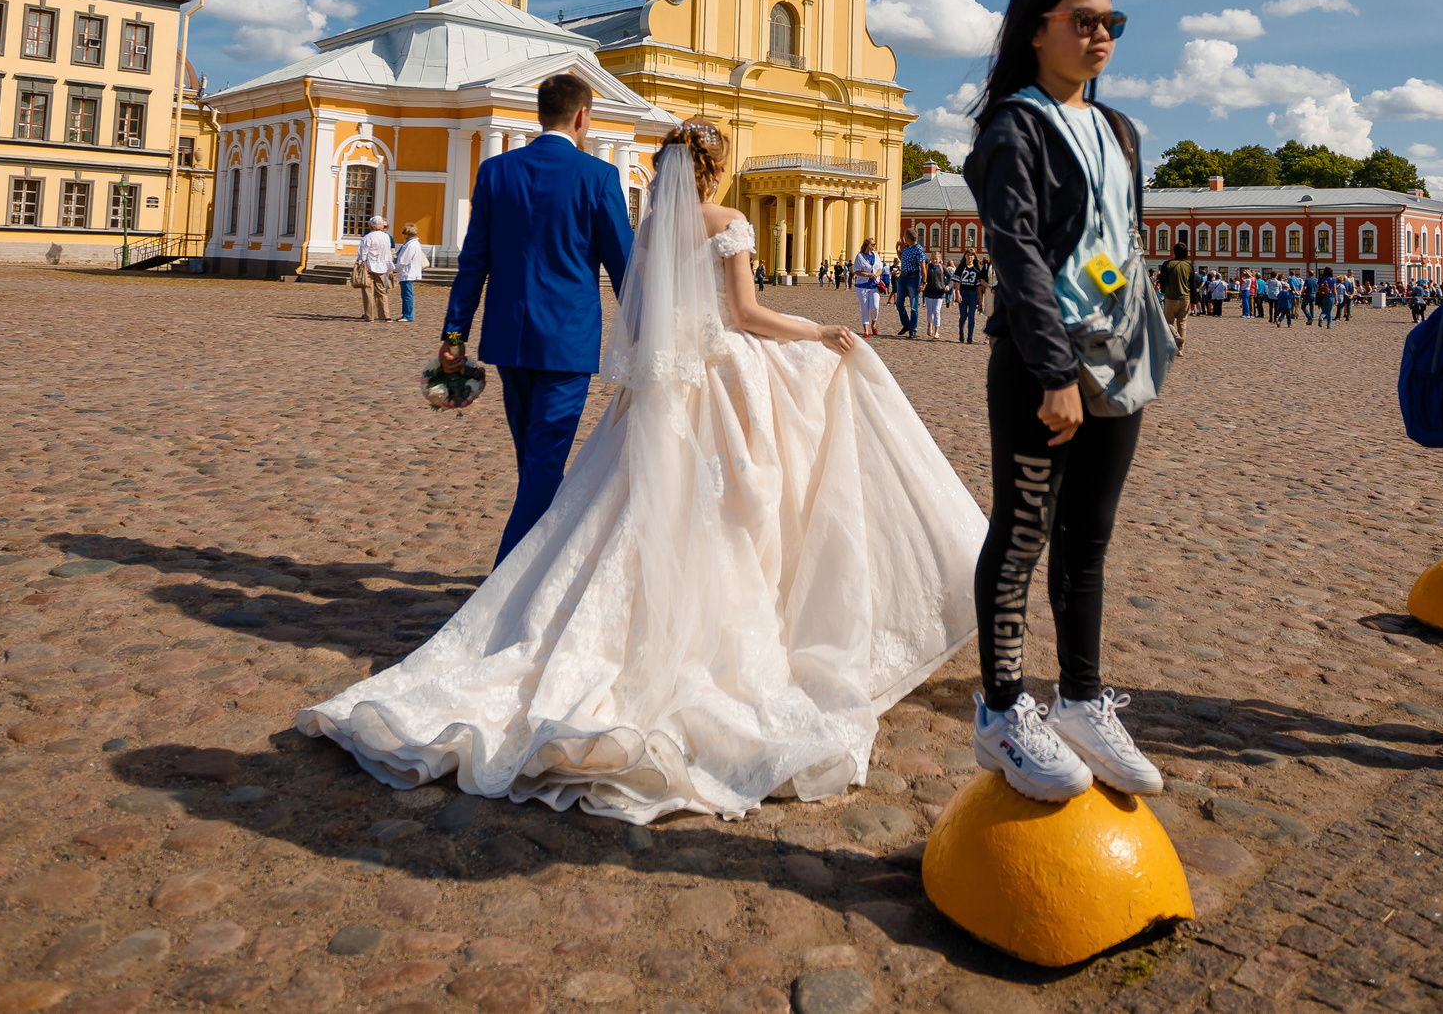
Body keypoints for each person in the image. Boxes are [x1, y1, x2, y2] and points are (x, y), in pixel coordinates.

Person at [302, 121, 987, 823]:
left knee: (619, 512)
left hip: (661, 389)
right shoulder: (727, 220)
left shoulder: (654, 223)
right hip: (716, 379)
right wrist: (818, 330)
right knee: (735, 506)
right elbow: (747, 313)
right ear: (717, 170)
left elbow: (639, 313)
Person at [965, 0, 1166, 802]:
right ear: (1034, 29)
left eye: (1110, 20)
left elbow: (1116, 243)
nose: (1101, 33)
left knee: (1089, 535)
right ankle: (1003, 712)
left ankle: (1081, 700)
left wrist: (1145, 331)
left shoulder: (1120, 129)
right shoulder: (1014, 127)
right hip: (1045, 362)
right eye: (1082, 19)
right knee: (1022, 534)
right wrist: (1054, 371)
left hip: (1119, 360)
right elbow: (1017, 257)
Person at [438, 75, 634, 564]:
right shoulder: (600, 177)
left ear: (539, 112)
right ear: (583, 116)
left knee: (535, 463)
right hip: (567, 343)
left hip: (509, 340)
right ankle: (508, 581)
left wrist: (453, 336)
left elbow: (472, 263)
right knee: (543, 465)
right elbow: (626, 270)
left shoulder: (496, 172)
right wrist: (649, 328)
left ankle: (539, 569)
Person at [349, 218, 394, 322]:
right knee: (382, 291)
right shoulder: (386, 236)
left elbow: (363, 252)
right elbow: (387, 251)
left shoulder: (368, 237)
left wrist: (361, 262)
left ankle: (369, 316)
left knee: (368, 291)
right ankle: (385, 315)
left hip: (369, 265)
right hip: (382, 265)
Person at [1158, 239, 1195, 351]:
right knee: (1182, 323)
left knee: (1167, 322)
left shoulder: (1167, 264)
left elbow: (1162, 280)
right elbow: (1192, 285)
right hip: (1185, 298)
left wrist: (1163, 290)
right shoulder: (1189, 266)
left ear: (1174, 252)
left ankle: (1176, 337)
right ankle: (1180, 350)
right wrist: (1194, 301)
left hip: (1171, 298)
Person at [391, 223, 426, 326]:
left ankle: (408, 315)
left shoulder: (411, 245)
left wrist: (395, 269)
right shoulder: (412, 244)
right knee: (406, 294)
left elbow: (403, 261)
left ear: (407, 234)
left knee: (407, 295)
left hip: (408, 272)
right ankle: (407, 314)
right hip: (408, 272)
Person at [851, 237, 884, 335]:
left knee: (875, 307)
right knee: (864, 308)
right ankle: (866, 330)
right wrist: (868, 275)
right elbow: (856, 271)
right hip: (862, 286)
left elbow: (880, 268)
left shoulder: (876, 256)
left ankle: (874, 323)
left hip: (875, 285)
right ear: (868, 245)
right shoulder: (860, 256)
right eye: (874, 244)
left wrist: (876, 275)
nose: (875, 246)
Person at [894, 234, 925, 336]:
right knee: (899, 303)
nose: (903, 239)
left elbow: (923, 267)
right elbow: (902, 259)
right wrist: (897, 248)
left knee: (913, 305)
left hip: (913, 277)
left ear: (908, 238)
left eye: (904, 237)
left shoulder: (919, 249)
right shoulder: (907, 247)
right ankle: (906, 324)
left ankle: (913, 330)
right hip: (903, 277)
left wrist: (924, 282)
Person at [921, 248, 952, 340]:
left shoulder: (942, 268)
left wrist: (948, 286)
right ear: (931, 259)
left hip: (939, 292)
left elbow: (951, 278)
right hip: (929, 293)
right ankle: (929, 325)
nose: (935, 260)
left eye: (936, 259)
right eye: (933, 259)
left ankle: (937, 332)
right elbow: (923, 277)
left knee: (937, 311)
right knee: (930, 312)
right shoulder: (927, 267)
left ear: (939, 259)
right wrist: (922, 285)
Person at [955, 252, 985, 344]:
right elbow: (957, 282)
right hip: (963, 293)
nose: (970, 257)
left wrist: (980, 299)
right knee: (963, 316)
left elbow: (979, 286)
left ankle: (970, 337)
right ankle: (961, 334)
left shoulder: (977, 269)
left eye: (972, 255)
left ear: (974, 257)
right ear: (965, 256)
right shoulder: (961, 267)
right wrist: (957, 293)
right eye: (968, 255)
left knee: (971, 316)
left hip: (973, 294)